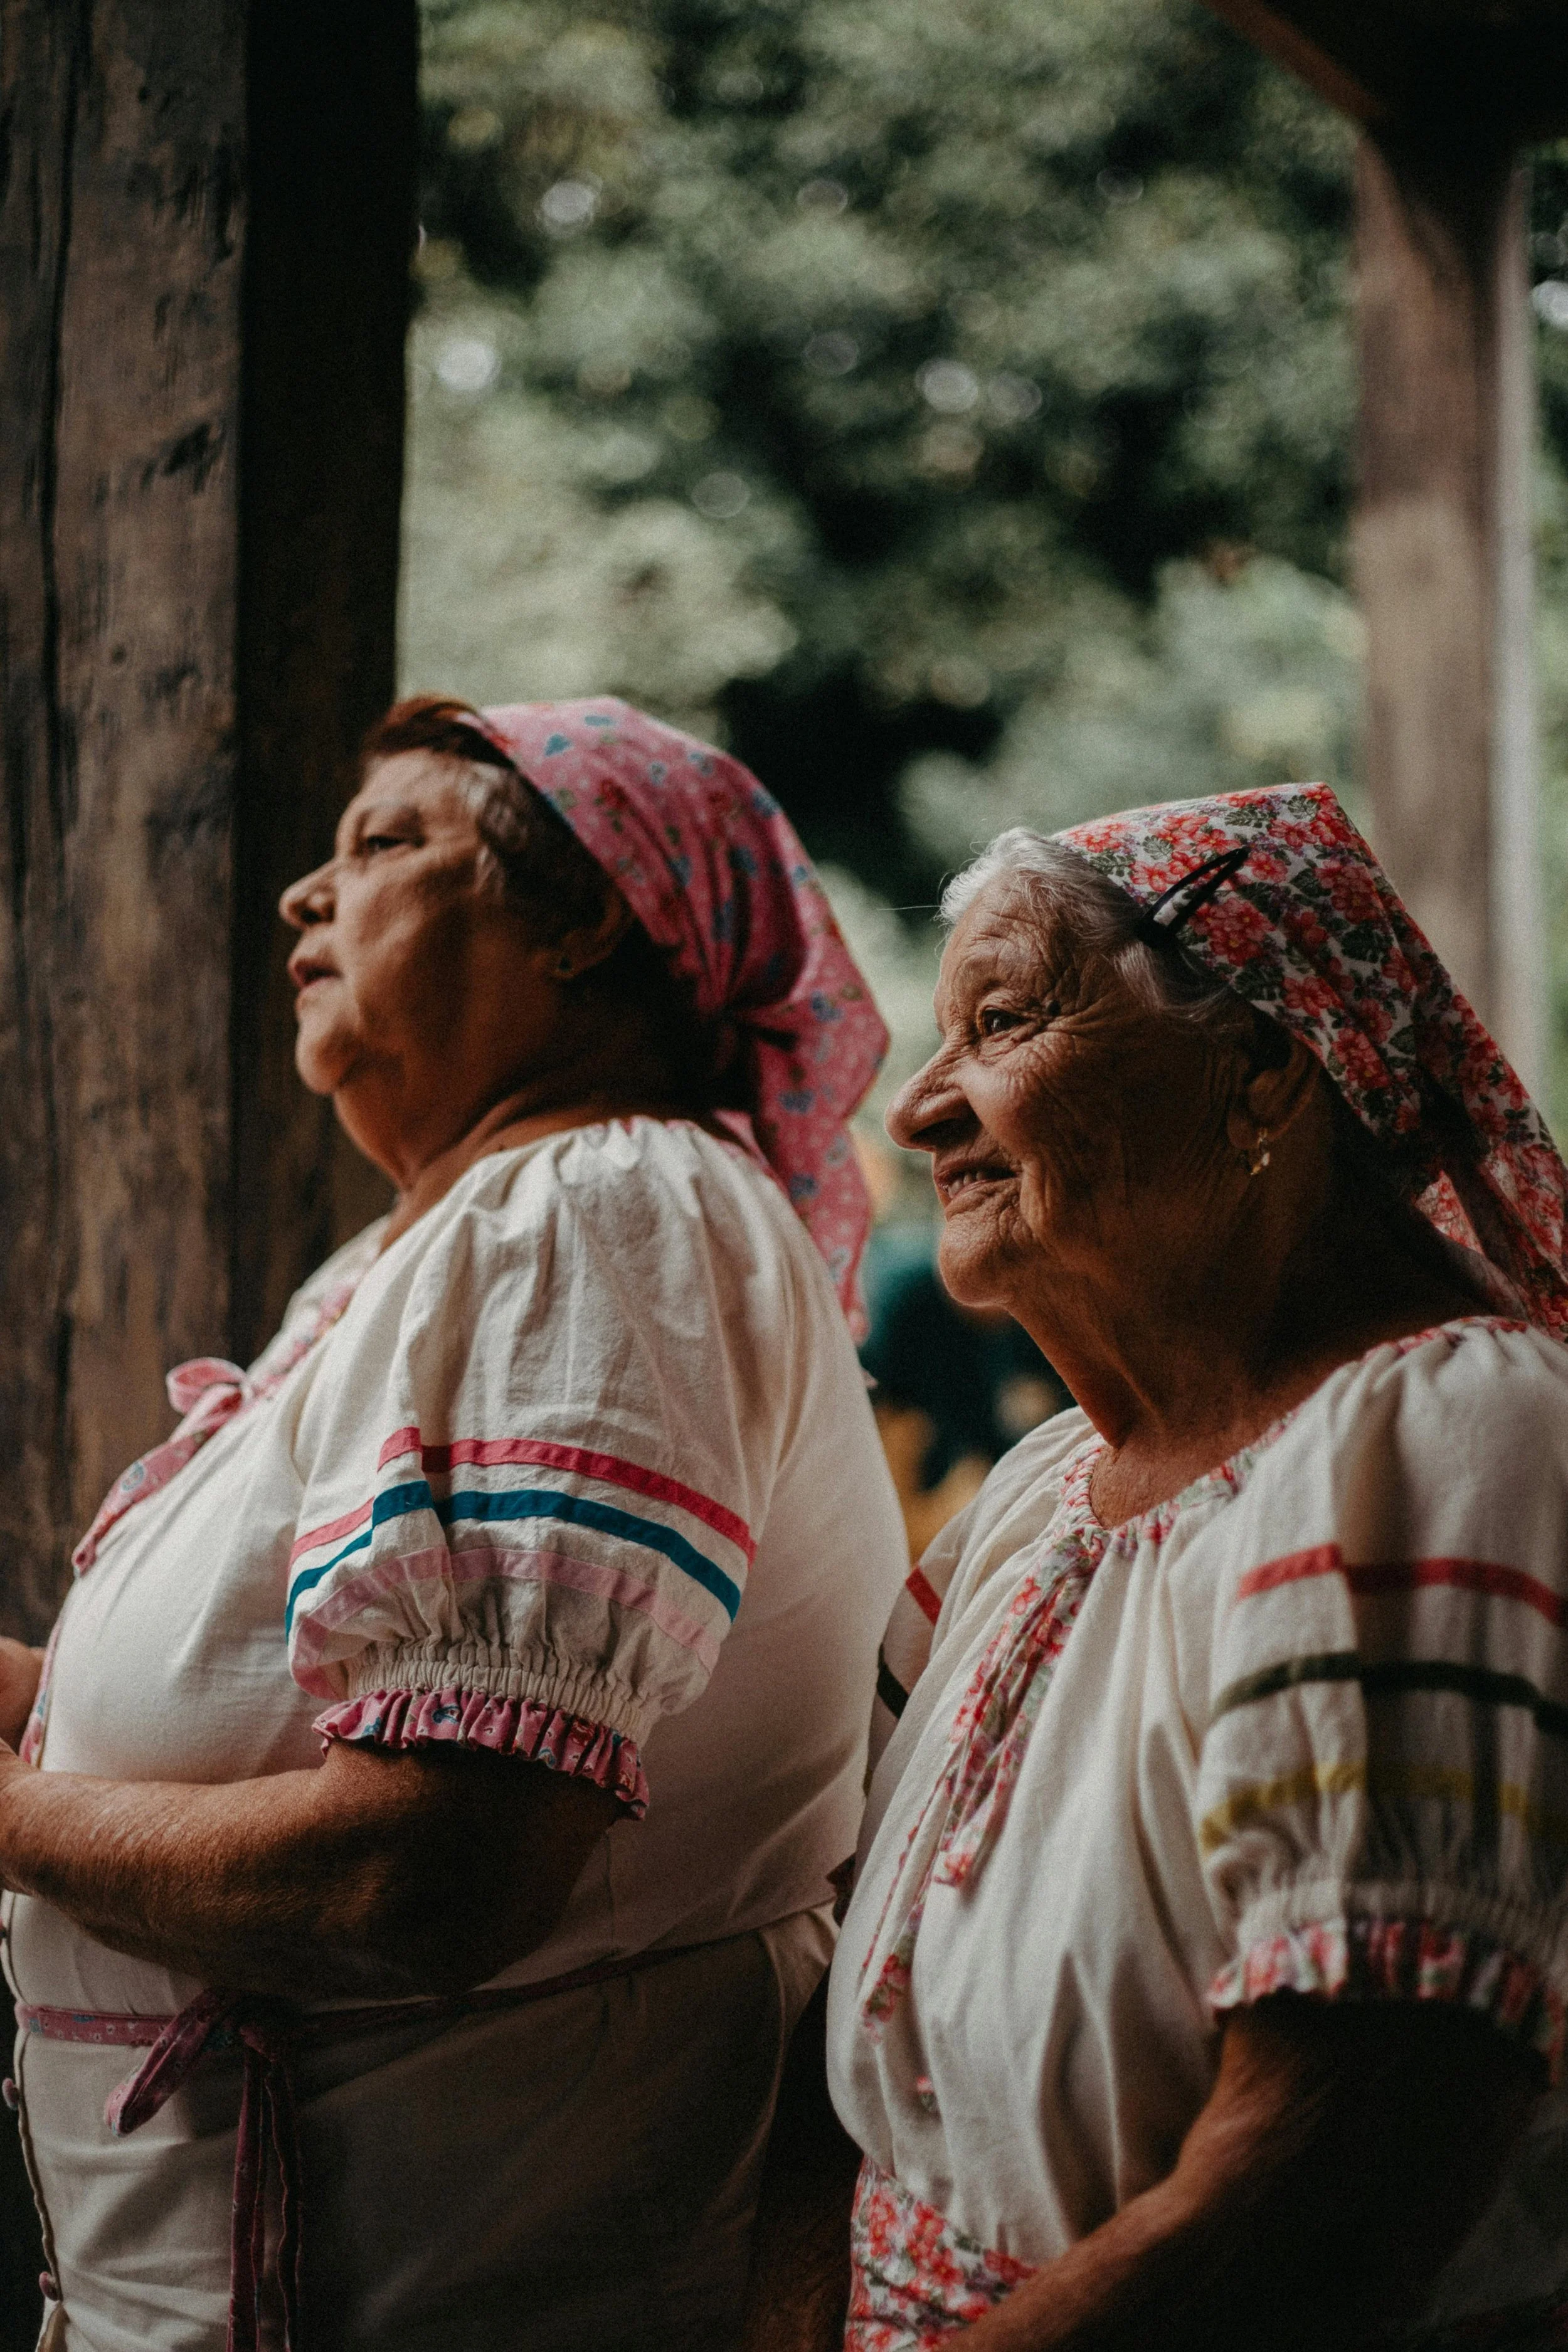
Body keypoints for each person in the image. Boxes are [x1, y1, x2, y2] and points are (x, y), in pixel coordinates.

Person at [0, 696, 908, 2351]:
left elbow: (433, 1865)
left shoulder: (597, 1216)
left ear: (579, 923)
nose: (301, 895)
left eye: (380, 843)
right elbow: (177, 1705)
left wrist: (10, 1818)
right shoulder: (419, 1256)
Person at [768, 783, 1568, 2349]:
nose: (923, 1111)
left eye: (1001, 1023)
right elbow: (837, 2066)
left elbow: (1331, 2183)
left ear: (1265, 1072)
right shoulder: (1043, 1494)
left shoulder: (1441, 1437)